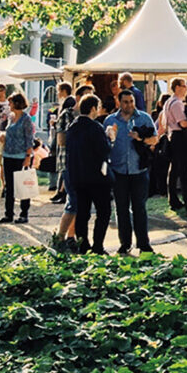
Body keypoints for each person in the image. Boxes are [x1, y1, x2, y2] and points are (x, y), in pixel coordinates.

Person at [105, 89, 159, 254]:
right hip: (119, 169)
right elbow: (104, 145)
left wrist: (140, 138)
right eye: (125, 102)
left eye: (131, 101)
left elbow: (155, 139)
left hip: (138, 169)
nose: (129, 105)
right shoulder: (111, 120)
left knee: (139, 208)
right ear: (119, 102)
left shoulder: (143, 117)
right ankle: (125, 243)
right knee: (121, 209)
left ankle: (143, 243)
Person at [64, 94, 113, 254]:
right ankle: (98, 246)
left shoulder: (72, 127)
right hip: (97, 177)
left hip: (78, 176)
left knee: (83, 213)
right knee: (103, 212)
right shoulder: (95, 127)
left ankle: (83, 244)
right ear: (93, 108)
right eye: (97, 108)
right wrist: (110, 138)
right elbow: (104, 151)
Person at [55, 85, 93, 242]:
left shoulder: (90, 117)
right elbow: (61, 141)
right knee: (73, 201)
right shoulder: (67, 114)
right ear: (77, 98)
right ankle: (60, 237)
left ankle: (71, 237)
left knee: (80, 202)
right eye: (86, 97)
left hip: (84, 164)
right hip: (69, 163)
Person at [164, 77, 187, 211]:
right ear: (178, 87)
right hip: (179, 137)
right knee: (184, 171)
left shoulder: (169, 101)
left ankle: (173, 199)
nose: (186, 88)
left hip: (172, 136)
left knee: (174, 170)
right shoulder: (177, 103)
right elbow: (183, 123)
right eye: (184, 86)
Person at [0, 93, 35, 224]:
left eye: (11, 103)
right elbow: (9, 132)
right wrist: (4, 136)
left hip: (21, 155)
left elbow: (29, 139)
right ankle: (9, 213)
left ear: (17, 103)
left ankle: (24, 213)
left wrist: (28, 156)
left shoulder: (26, 119)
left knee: (23, 186)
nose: (9, 105)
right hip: (8, 154)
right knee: (9, 186)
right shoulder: (11, 117)